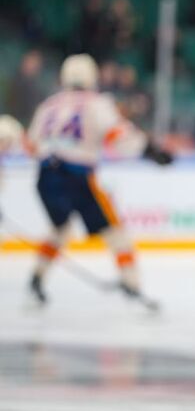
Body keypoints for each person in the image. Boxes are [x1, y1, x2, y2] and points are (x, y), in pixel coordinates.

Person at [25, 54, 172, 306]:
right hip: (78, 175)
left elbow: (32, 145)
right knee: (115, 232)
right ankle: (132, 283)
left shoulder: (48, 105)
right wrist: (150, 150)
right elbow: (118, 134)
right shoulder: (97, 102)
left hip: (45, 177)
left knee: (60, 229)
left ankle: (37, 277)